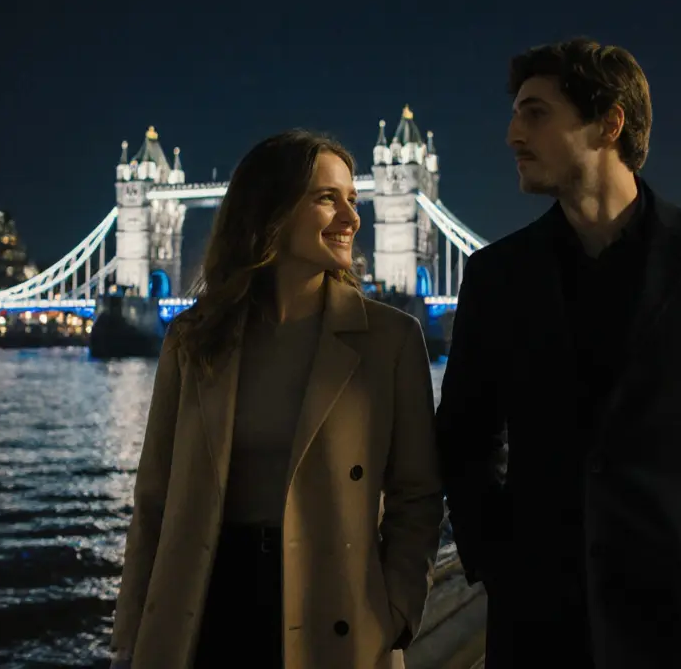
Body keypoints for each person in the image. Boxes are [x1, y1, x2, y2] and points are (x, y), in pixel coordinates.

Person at [436, 38, 681, 668]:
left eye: (535, 113)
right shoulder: (495, 276)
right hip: (537, 625)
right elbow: (464, 438)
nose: (511, 134)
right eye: (514, 114)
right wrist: (494, 558)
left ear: (609, 122)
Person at [111, 130, 445, 668]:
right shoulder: (193, 337)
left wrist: (397, 613)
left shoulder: (392, 340)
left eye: (354, 200)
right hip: (200, 610)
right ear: (269, 210)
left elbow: (418, 497)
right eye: (326, 198)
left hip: (337, 615)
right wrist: (129, 640)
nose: (351, 219)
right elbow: (153, 501)